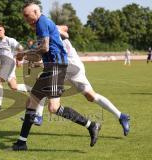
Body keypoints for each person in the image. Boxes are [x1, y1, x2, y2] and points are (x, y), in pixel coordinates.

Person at [12, 3, 101, 151]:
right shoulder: (42, 23)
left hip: (56, 67)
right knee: (32, 102)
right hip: (51, 67)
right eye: (24, 17)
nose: (26, 19)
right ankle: (21, 143)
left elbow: (44, 48)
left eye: (27, 16)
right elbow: (43, 49)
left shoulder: (41, 23)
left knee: (54, 108)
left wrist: (24, 54)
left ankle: (92, 125)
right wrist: (26, 55)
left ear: (35, 12)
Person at [28, 25, 130, 137]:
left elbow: (65, 29)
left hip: (73, 66)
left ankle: (121, 116)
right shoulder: (43, 36)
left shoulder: (51, 29)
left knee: (91, 96)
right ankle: (38, 115)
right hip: (61, 68)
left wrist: (57, 29)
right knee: (43, 83)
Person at [0, 24, 31, 111]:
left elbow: (21, 48)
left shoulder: (9, 40)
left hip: (9, 64)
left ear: (4, 31)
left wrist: (20, 59)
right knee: (13, 86)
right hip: (4, 65)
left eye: (0, 30)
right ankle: (33, 89)